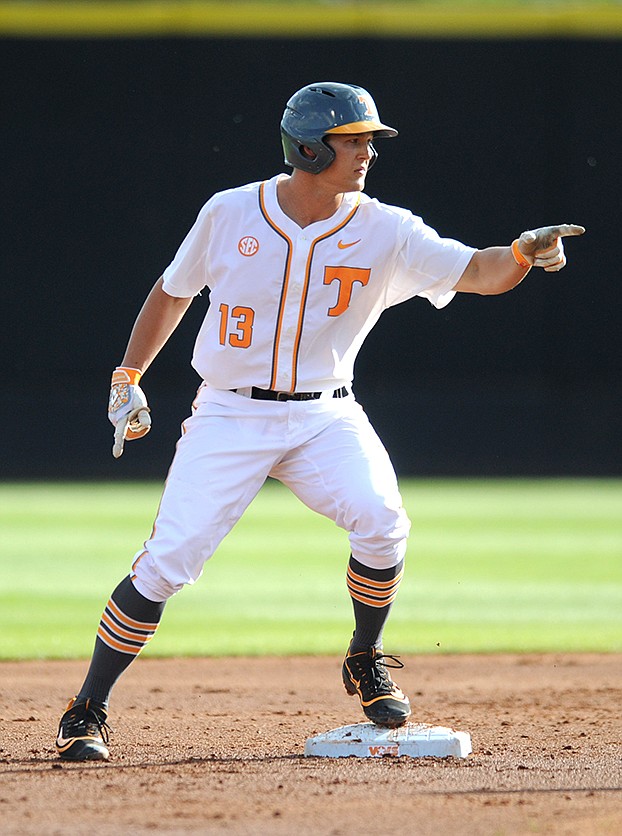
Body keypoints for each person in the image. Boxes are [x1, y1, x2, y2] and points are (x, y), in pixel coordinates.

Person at [55, 81, 584, 761]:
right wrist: (127, 372)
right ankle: (86, 709)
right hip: (230, 413)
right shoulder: (230, 212)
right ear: (308, 146)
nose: (367, 151)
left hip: (325, 414)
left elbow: (475, 273)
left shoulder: (387, 226)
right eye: (353, 139)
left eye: (370, 140)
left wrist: (519, 254)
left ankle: (365, 658)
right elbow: (173, 290)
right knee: (168, 563)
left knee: (383, 518)